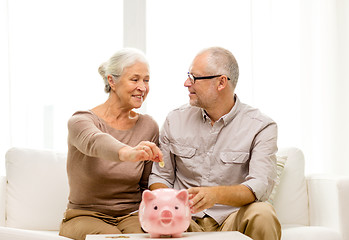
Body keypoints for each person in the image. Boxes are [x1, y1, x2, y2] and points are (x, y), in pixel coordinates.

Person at [149, 47, 281, 240]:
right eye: (188, 76)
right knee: (153, 220)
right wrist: (171, 206)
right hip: (184, 220)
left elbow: (259, 185)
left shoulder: (261, 126)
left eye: (194, 78)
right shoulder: (174, 120)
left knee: (264, 213)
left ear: (221, 82)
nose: (187, 83)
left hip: (232, 217)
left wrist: (215, 195)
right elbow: (160, 177)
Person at [59, 48, 163, 240]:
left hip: (131, 215)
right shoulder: (81, 121)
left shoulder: (148, 126)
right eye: (135, 79)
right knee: (113, 238)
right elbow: (95, 141)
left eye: (146, 80)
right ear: (112, 81)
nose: (142, 87)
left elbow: (146, 184)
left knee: (154, 237)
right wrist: (128, 153)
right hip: (85, 215)